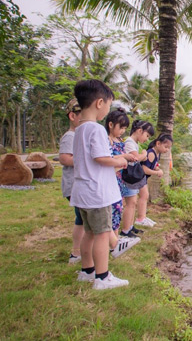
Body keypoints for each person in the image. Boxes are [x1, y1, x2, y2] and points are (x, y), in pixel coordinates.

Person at [71, 79, 130, 290]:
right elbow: (101, 158)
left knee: (90, 233)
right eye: (108, 104)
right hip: (97, 192)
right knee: (103, 235)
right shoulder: (96, 130)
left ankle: (87, 271)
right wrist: (120, 161)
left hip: (83, 192)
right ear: (99, 103)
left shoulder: (79, 129)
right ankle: (102, 277)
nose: (107, 110)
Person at [105, 108, 140, 258]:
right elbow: (108, 158)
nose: (122, 131)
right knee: (112, 210)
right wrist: (124, 157)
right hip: (109, 179)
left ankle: (115, 241)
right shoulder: (106, 140)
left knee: (118, 209)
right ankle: (112, 243)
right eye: (121, 128)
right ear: (111, 124)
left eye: (125, 128)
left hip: (118, 179)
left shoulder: (119, 141)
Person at [59, 98, 84, 264]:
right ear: (72, 116)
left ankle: (79, 251)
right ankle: (76, 253)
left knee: (81, 219)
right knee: (82, 219)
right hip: (74, 185)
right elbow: (64, 159)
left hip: (79, 185)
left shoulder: (79, 135)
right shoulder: (70, 136)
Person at [120, 120, 154, 238]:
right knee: (130, 203)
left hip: (133, 177)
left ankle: (130, 226)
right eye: (147, 135)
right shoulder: (129, 142)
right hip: (130, 177)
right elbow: (136, 158)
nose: (147, 139)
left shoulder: (134, 142)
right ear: (140, 131)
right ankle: (125, 230)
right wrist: (144, 154)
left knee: (133, 202)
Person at [137, 134, 174, 227]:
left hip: (143, 178)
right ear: (158, 143)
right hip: (138, 177)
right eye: (166, 147)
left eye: (169, 148)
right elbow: (144, 169)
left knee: (144, 196)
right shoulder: (151, 153)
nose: (167, 150)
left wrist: (157, 169)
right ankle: (140, 218)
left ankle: (143, 217)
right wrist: (156, 173)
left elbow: (154, 165)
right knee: (143, 196)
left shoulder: (157, 153)